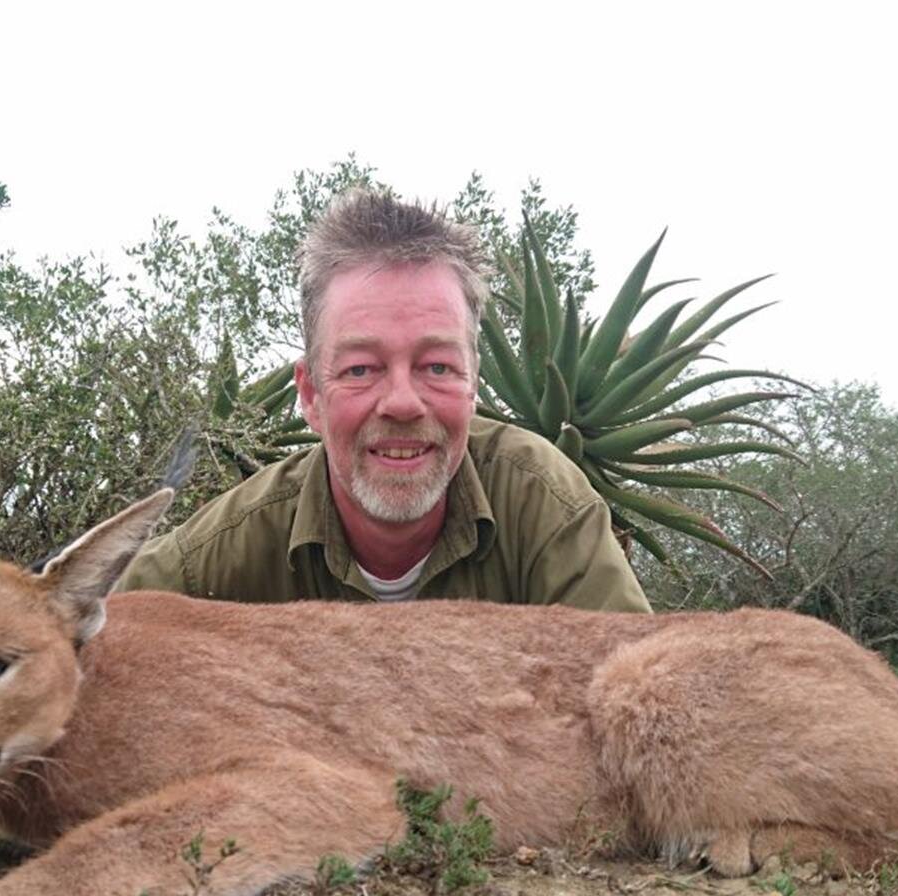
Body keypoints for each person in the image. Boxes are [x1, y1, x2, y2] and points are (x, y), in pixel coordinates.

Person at [116, 189, 650, 612]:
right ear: (311, 396)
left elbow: (641, 695)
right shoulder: (221, 555)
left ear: (473, 384)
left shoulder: (547, 507)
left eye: (437, 367)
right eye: (361, 369)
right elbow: (83, 632)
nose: (402, 403)